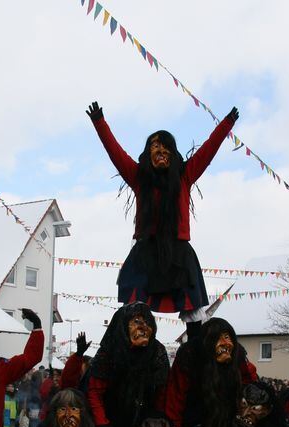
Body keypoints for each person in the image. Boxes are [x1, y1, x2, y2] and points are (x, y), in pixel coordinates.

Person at [86, 100, 239, 335]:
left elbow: (209, 150)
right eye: (154, 147)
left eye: (165, 147)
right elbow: (115, 152)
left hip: (178, 253)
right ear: (148, 153)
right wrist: (99, 122)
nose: (160, 151)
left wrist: (227, 124)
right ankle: (132, 354)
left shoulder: (185, 176)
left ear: (172, 153)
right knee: (134, 310)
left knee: (193, 313)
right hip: (145, 251)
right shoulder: (139, 178)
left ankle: (194, 356)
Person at [166, 318, 257, 427]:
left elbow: (252, 387)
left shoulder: (238, 355)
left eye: (227, 337)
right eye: (218, 338)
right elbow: (175, 397)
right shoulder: (190, 355)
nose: (224, 343)